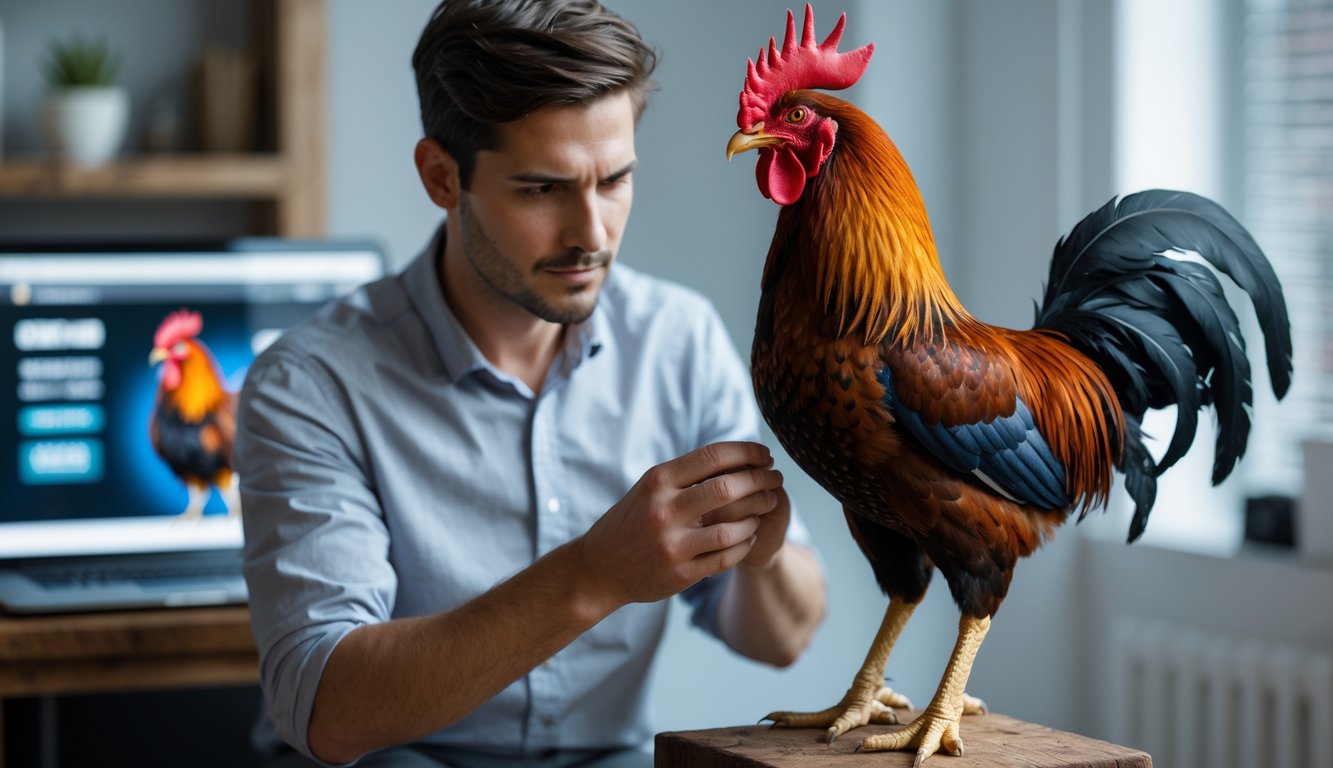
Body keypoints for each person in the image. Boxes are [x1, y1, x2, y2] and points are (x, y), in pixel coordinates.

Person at [236, 1, 828, 766]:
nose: (592, 232)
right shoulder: (310, 384)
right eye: (542, 190)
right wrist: (593, 574)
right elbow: (328, 709)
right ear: (441, 177)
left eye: (614, 180)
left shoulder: (678, 341)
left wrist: (763, 553)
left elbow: (783, 641)